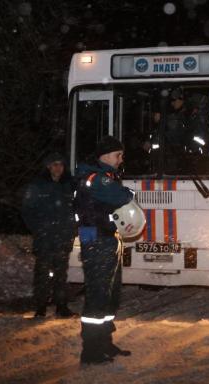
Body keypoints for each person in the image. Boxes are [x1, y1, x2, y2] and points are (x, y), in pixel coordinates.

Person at [75, 136, 134, 365]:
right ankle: (91, 350)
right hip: (98, 241)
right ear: (106, 156)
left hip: (107, 238)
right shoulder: (96, 179)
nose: (121, 160)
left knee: (110, 294)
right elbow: (122, 196)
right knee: (98, 295)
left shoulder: (105, 177)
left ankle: (104, 342)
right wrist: (127, 193)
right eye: (118, 155)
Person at [21, 153, 77, 318]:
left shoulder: (69, 185)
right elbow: (27, 210)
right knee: (42, 274)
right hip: (44, 238)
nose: (58, 168)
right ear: (48, 167)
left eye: (60, 164)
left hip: (63, 237)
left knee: (61, 274)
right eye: (54, 164)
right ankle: (41, 307)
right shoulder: (38, 186)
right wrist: (38, 229)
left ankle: (61, 307)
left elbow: (77, 209)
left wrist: (72, 230)